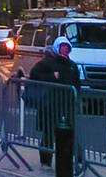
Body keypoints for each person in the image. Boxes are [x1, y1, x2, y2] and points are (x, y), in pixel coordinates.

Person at [28, 36, 80, 167]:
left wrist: (76, 96)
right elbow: (34, 74)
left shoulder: (72, 65)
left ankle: (73, 159)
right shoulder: (48, 62)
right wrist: (52, 77)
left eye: (67, 48)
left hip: (66, 103)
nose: (65, 50)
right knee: (49, 133)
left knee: (68, 132)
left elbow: (77, 83)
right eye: (62, 48)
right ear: (57, 48)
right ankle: (46, 160)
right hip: (50, 103)